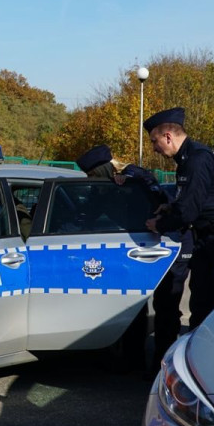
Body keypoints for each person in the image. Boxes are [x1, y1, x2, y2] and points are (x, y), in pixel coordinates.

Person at [143, 107, 214, 332]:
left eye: (155, 141)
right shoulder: (189, 158)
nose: (154, 148)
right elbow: (195, 199)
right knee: (202, 306)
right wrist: (171, 206)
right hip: (210, 240)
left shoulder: (197, 159)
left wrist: (159, 225)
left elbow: (188, 212)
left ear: (168, 137)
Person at [77, 144, 190, 372]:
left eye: (92, 174)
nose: (91, 180)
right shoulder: (105, 187)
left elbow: (150, 187)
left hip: (168, 245)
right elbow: (88, 213)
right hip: (137, 249)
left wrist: (127, 177)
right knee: (133, 306)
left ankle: (163, 368)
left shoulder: (133, 175)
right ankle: (134, 361)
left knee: (166, 307)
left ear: (103, 169)